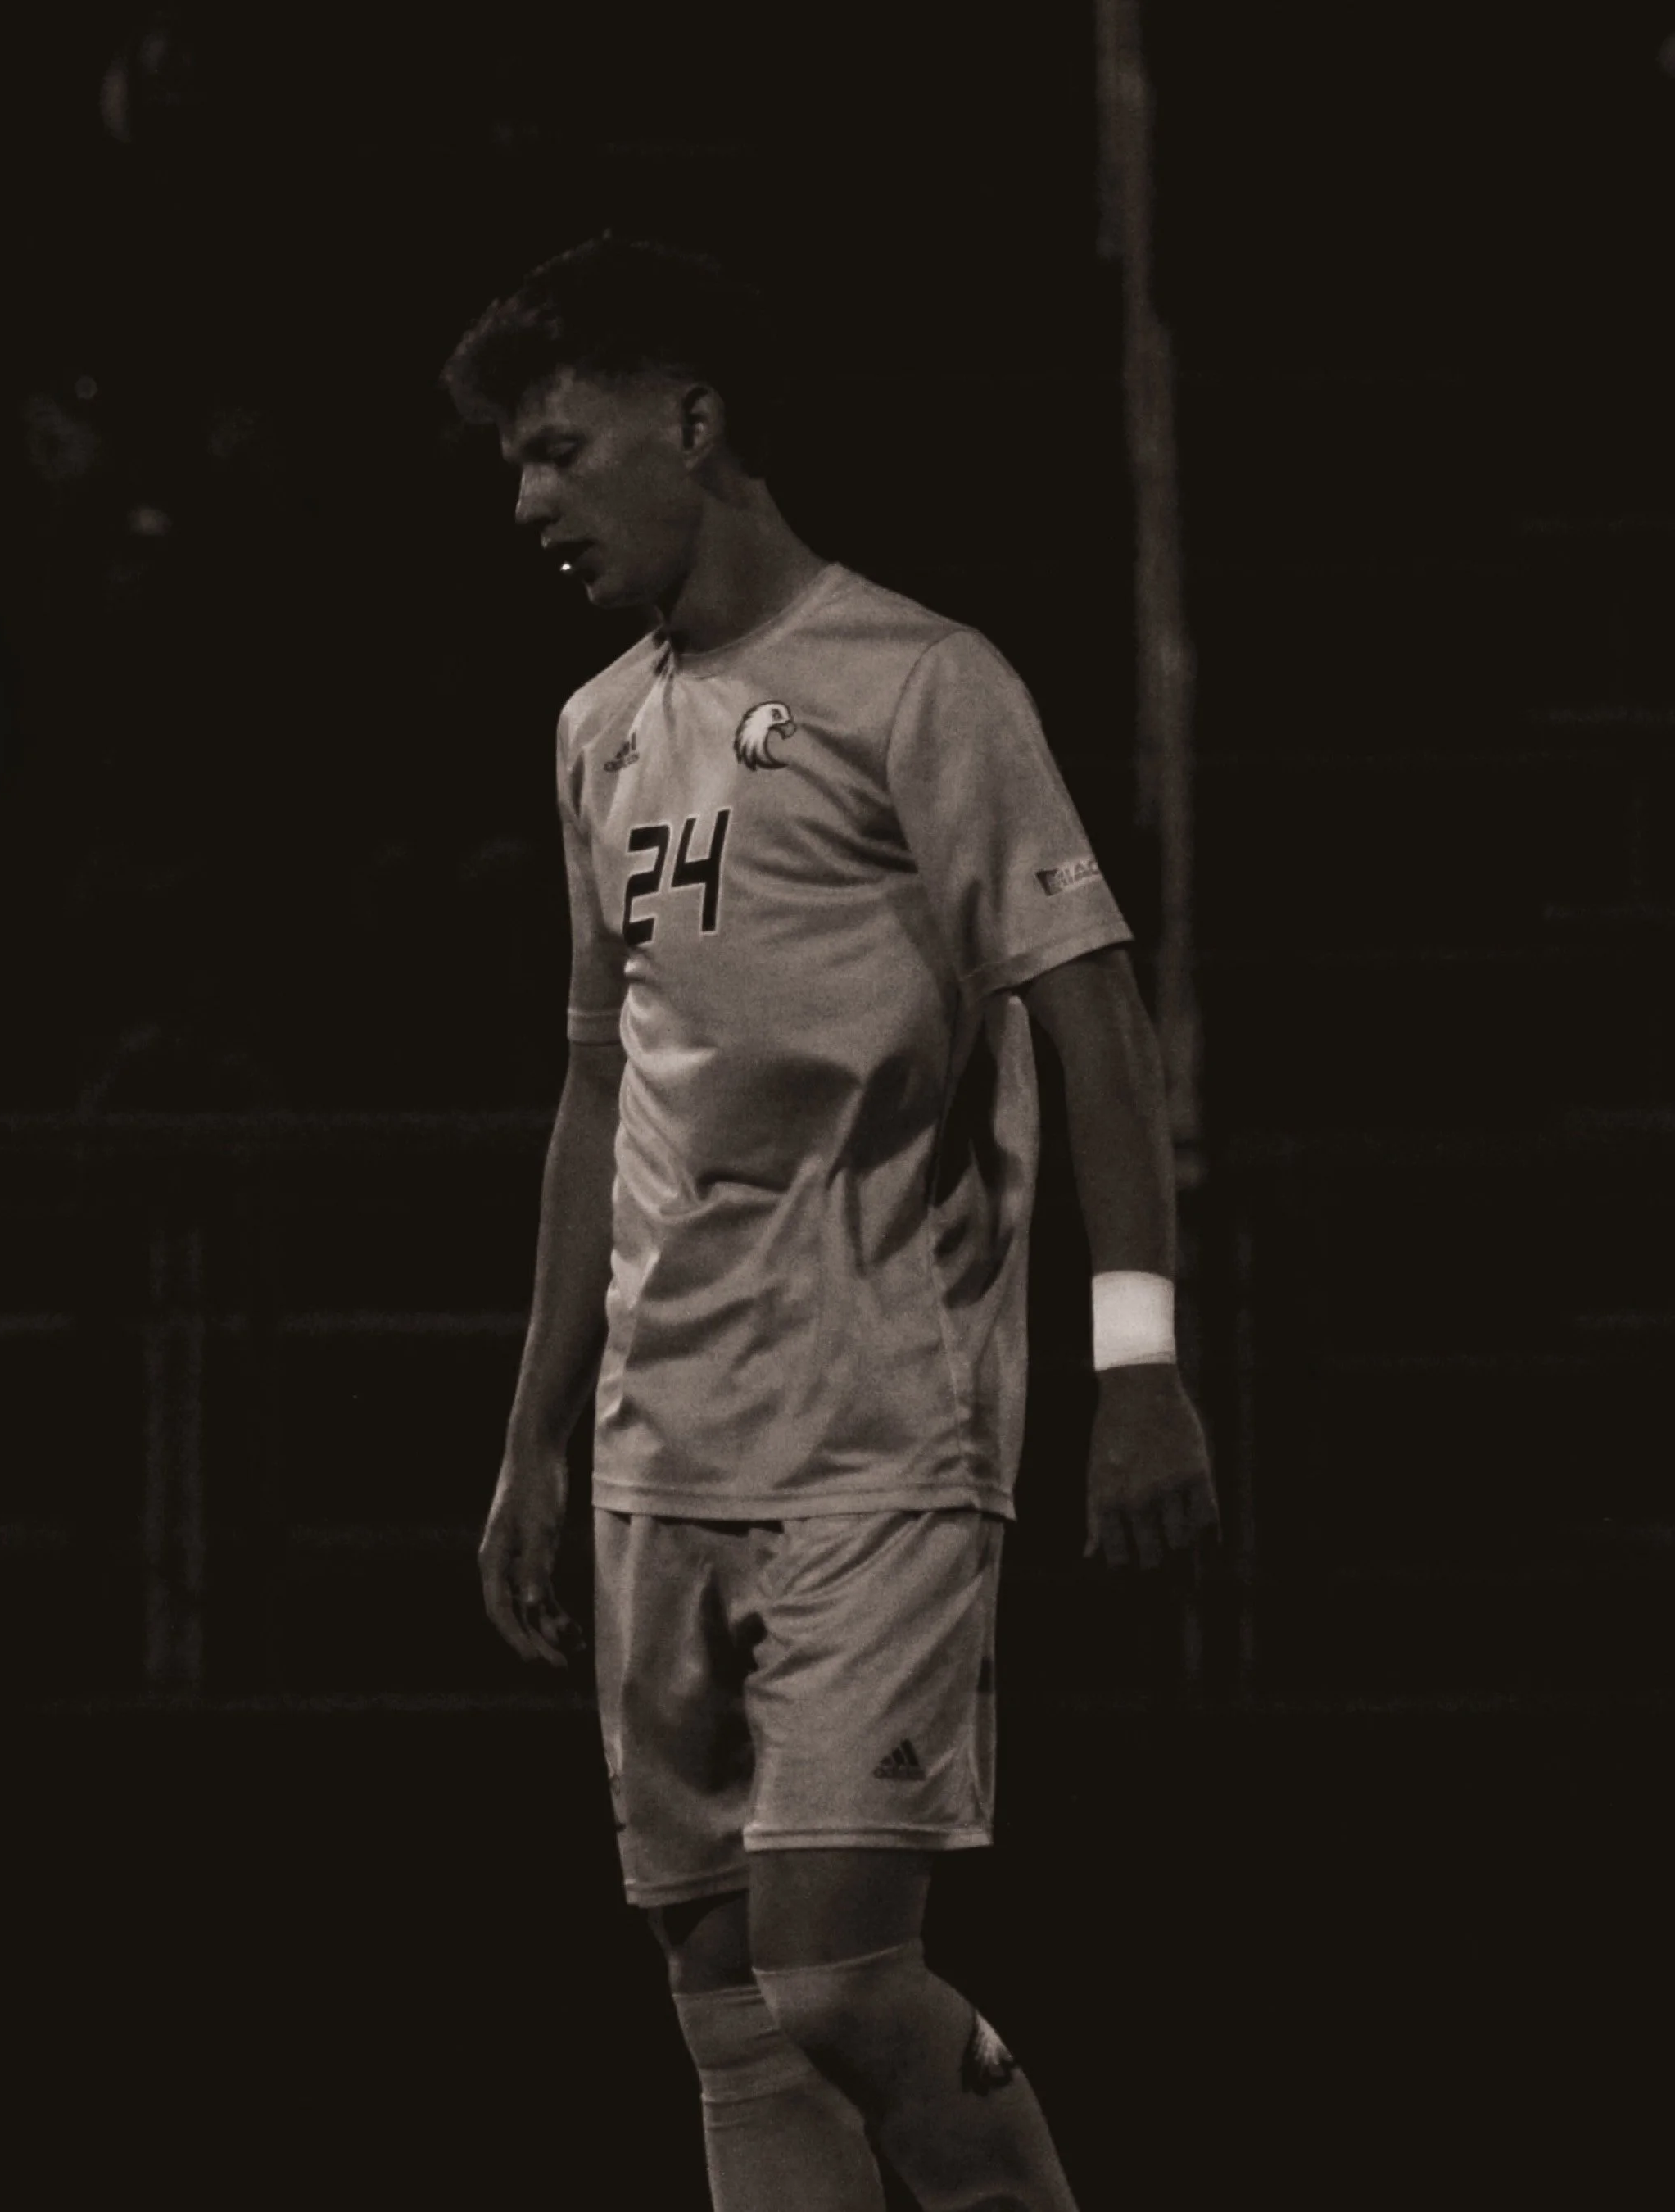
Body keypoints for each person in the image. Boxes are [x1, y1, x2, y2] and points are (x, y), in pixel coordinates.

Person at [445, 234, 1217, 2212]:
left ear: (693, 429)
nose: (527, 500)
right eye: (512, 464)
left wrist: (1139, 1367)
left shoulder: (922, 686)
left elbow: (1095, 1012)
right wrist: (538, 1433)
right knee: (721, 1990)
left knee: (841, 1975)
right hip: (659, 1450)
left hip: (877, 1430)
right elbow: (600, 1084)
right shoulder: (595, 731)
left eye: (560, 449)